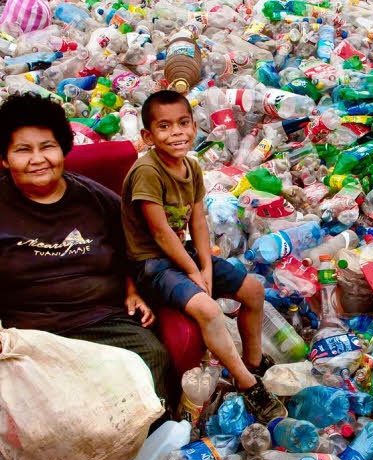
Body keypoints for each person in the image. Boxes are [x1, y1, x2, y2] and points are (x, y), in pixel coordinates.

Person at [0, 92, 172, 401]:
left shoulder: (97, 199)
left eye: (47, 147)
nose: (37, 159)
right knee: (47, 403)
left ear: (63, 150)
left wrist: (132, 287)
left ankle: (146, 447)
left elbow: (138, 248)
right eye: (23, 150)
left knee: (152, 359)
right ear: (5, 158)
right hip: (26, 333)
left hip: (103, 324)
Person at [120, 90, 286, 422]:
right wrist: (193, 273)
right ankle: (247, 382)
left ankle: (253, 360)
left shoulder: (191, 168)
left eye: (183, 123)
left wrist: (206, 265)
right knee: (208, 309)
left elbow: (197, 220)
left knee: (253, 290)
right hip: (150, 264)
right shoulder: (147, 171)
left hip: (184, 253)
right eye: (164, 127)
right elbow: (160, 233)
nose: (176, 133)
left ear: (195, 127)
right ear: (147, 136)